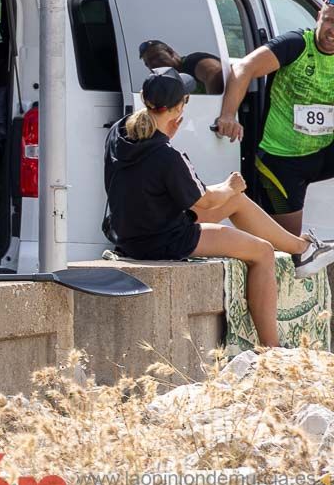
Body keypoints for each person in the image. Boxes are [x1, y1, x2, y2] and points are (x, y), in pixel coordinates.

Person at [105, 68, 334, 348]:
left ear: (144, 99)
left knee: (234, 202)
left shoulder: (119, 134)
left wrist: (228, 194)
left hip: (130, 237)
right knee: (262, 252)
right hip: (164, 240)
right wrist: (230, 185)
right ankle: (271, 349)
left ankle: (301, 250)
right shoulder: (166, 155)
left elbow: (182, 193)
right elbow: (206, 201)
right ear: (179, 108)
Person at [215, 0, 334, 236]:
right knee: (286, 242)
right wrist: (228, 115)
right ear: (318, 17)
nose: (332, 30)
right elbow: (243, 68)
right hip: (282, 158)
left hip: (323, 151)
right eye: (329, 20)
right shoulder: (296, 45)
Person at [139, 39, 223, 94]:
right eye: (148, 63)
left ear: (170, 52)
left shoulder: (190, 62)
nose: (153, 64)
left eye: (157, 57)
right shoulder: (163, 84)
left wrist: (214, 106)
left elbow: (214, 72)